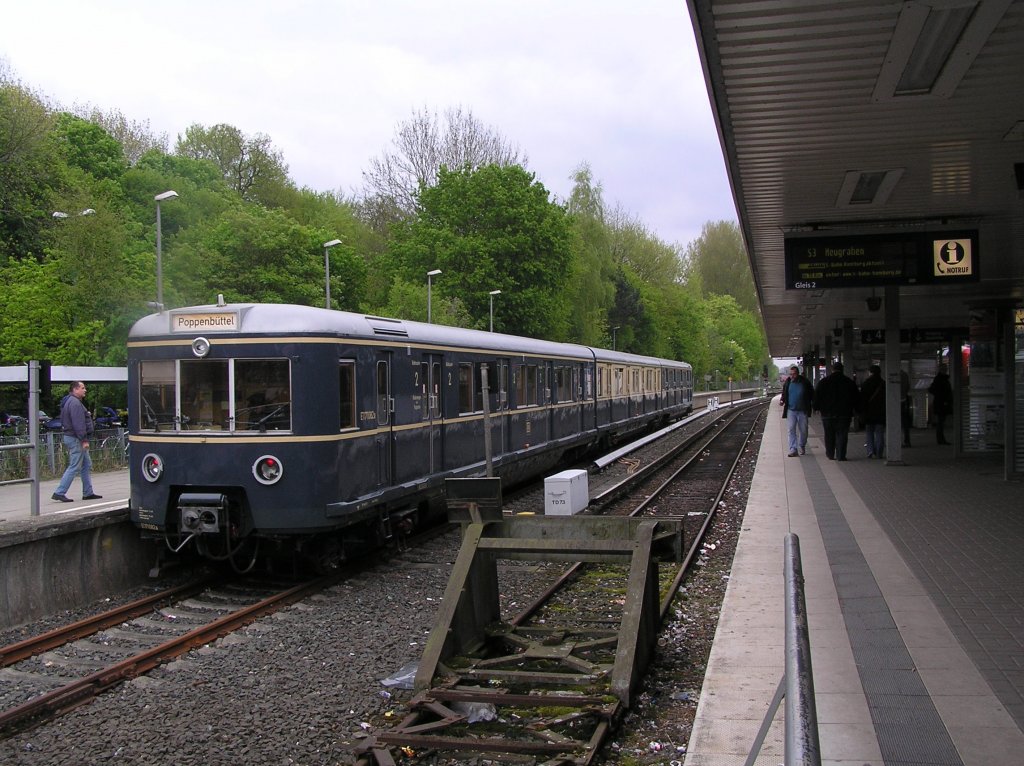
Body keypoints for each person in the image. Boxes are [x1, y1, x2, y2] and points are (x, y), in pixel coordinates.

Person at [52, 381, 102, 502]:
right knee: (74, 466)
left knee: (86, 464)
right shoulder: (75, 403)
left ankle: (88, 492)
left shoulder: (69, 401)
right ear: (75, 389)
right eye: (82, 388)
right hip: (76, 438)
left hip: (73, 437)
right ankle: (59, 492)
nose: (85, 390)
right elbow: (78, 423)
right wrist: (84, 439)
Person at [814, 361, 859, 461]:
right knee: (842, 435)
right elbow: (856, 398)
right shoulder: (849, 382)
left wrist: (816, 408)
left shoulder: (824, 382)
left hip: (827, 414)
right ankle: (841, 455)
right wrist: (856, 410)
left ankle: (830, 454)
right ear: (842, 370)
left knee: (829, 434)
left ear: (832, 370)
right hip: (844, 414)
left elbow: (817, 396)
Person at [779, 365, 813, 457]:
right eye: (790, 374)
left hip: (803, 410)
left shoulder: (805, 382)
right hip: (791, 410)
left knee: (804, 430)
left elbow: (812, 393)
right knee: (791, 429)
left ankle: (802, 445)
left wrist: (813, 405)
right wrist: (782, 400)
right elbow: (784, 392)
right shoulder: (788, 382)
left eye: (794, 374)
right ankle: (793, 449)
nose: (792, 376)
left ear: (798, 373)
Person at [859, 364, 885, 458]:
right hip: (881, 413)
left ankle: (870, 450)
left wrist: (861, 411)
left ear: (870, 372)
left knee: (869, 432)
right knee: (879, 432)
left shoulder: (866, 383)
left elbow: (862, 399)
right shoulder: (883, 383)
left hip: (868, 412)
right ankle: (879, 453)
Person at [928, 364, 953, 445]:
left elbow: (932, 389)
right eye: (944, 368)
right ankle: (941, 440)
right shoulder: (941, 379)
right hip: (942, 404)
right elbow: (937, 390)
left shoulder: (940, 379)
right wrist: (943, 398)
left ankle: (941, 439)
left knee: (941, 422)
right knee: (941, 422)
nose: (945, 370)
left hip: (940, 403)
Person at [899, 369, 912, 447]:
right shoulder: (905, 375)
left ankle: (897, 440)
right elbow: (908, 387)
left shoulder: (895, 375)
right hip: (904, 400)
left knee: (897, 422)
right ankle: (907, 441)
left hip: (896, 402)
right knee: (905, 423)